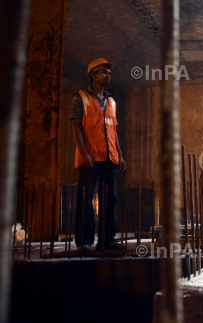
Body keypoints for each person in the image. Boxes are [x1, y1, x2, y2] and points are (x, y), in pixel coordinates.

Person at [70, 58, 126, 253]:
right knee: (86, 200)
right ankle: (84, 242)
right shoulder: (81, 97)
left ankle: (107, 240)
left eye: (109, 73)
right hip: (90, 158)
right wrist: (83, 153)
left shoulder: (111, 102)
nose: (108, 76)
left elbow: (113, 131)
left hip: (109, 157)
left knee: (110, 199)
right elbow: (76, 127)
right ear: (93, 75)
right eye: (104, 72)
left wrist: (119, 154)